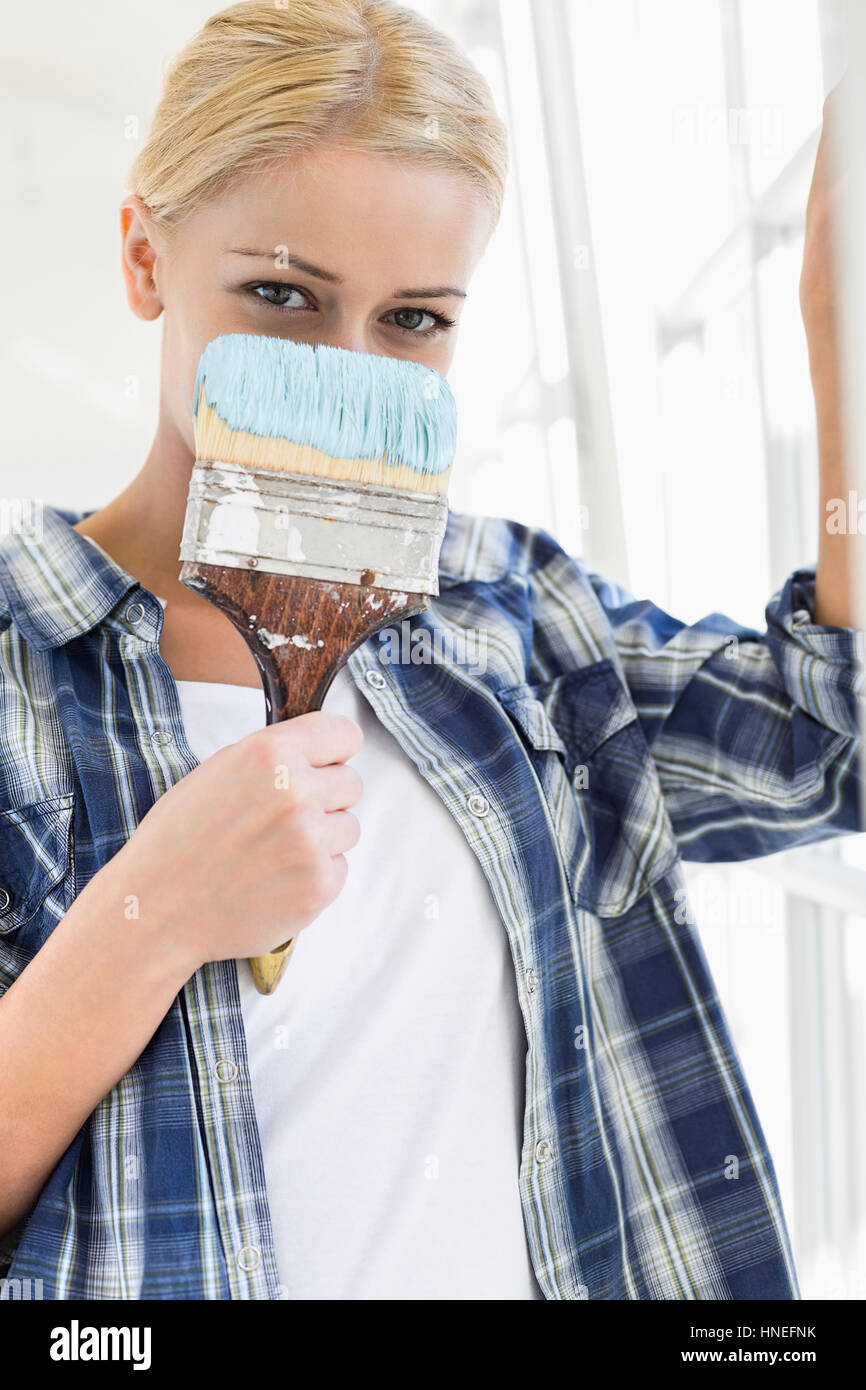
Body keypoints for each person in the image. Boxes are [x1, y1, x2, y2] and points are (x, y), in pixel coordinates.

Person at [0, 0, 860, 1301]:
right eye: (280, 294)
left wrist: (832, 330)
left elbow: (827, 738)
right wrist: (148, 913)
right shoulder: (16, 660)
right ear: (142, 258)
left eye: (413, 321)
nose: (351, 367)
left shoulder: (508, 613)